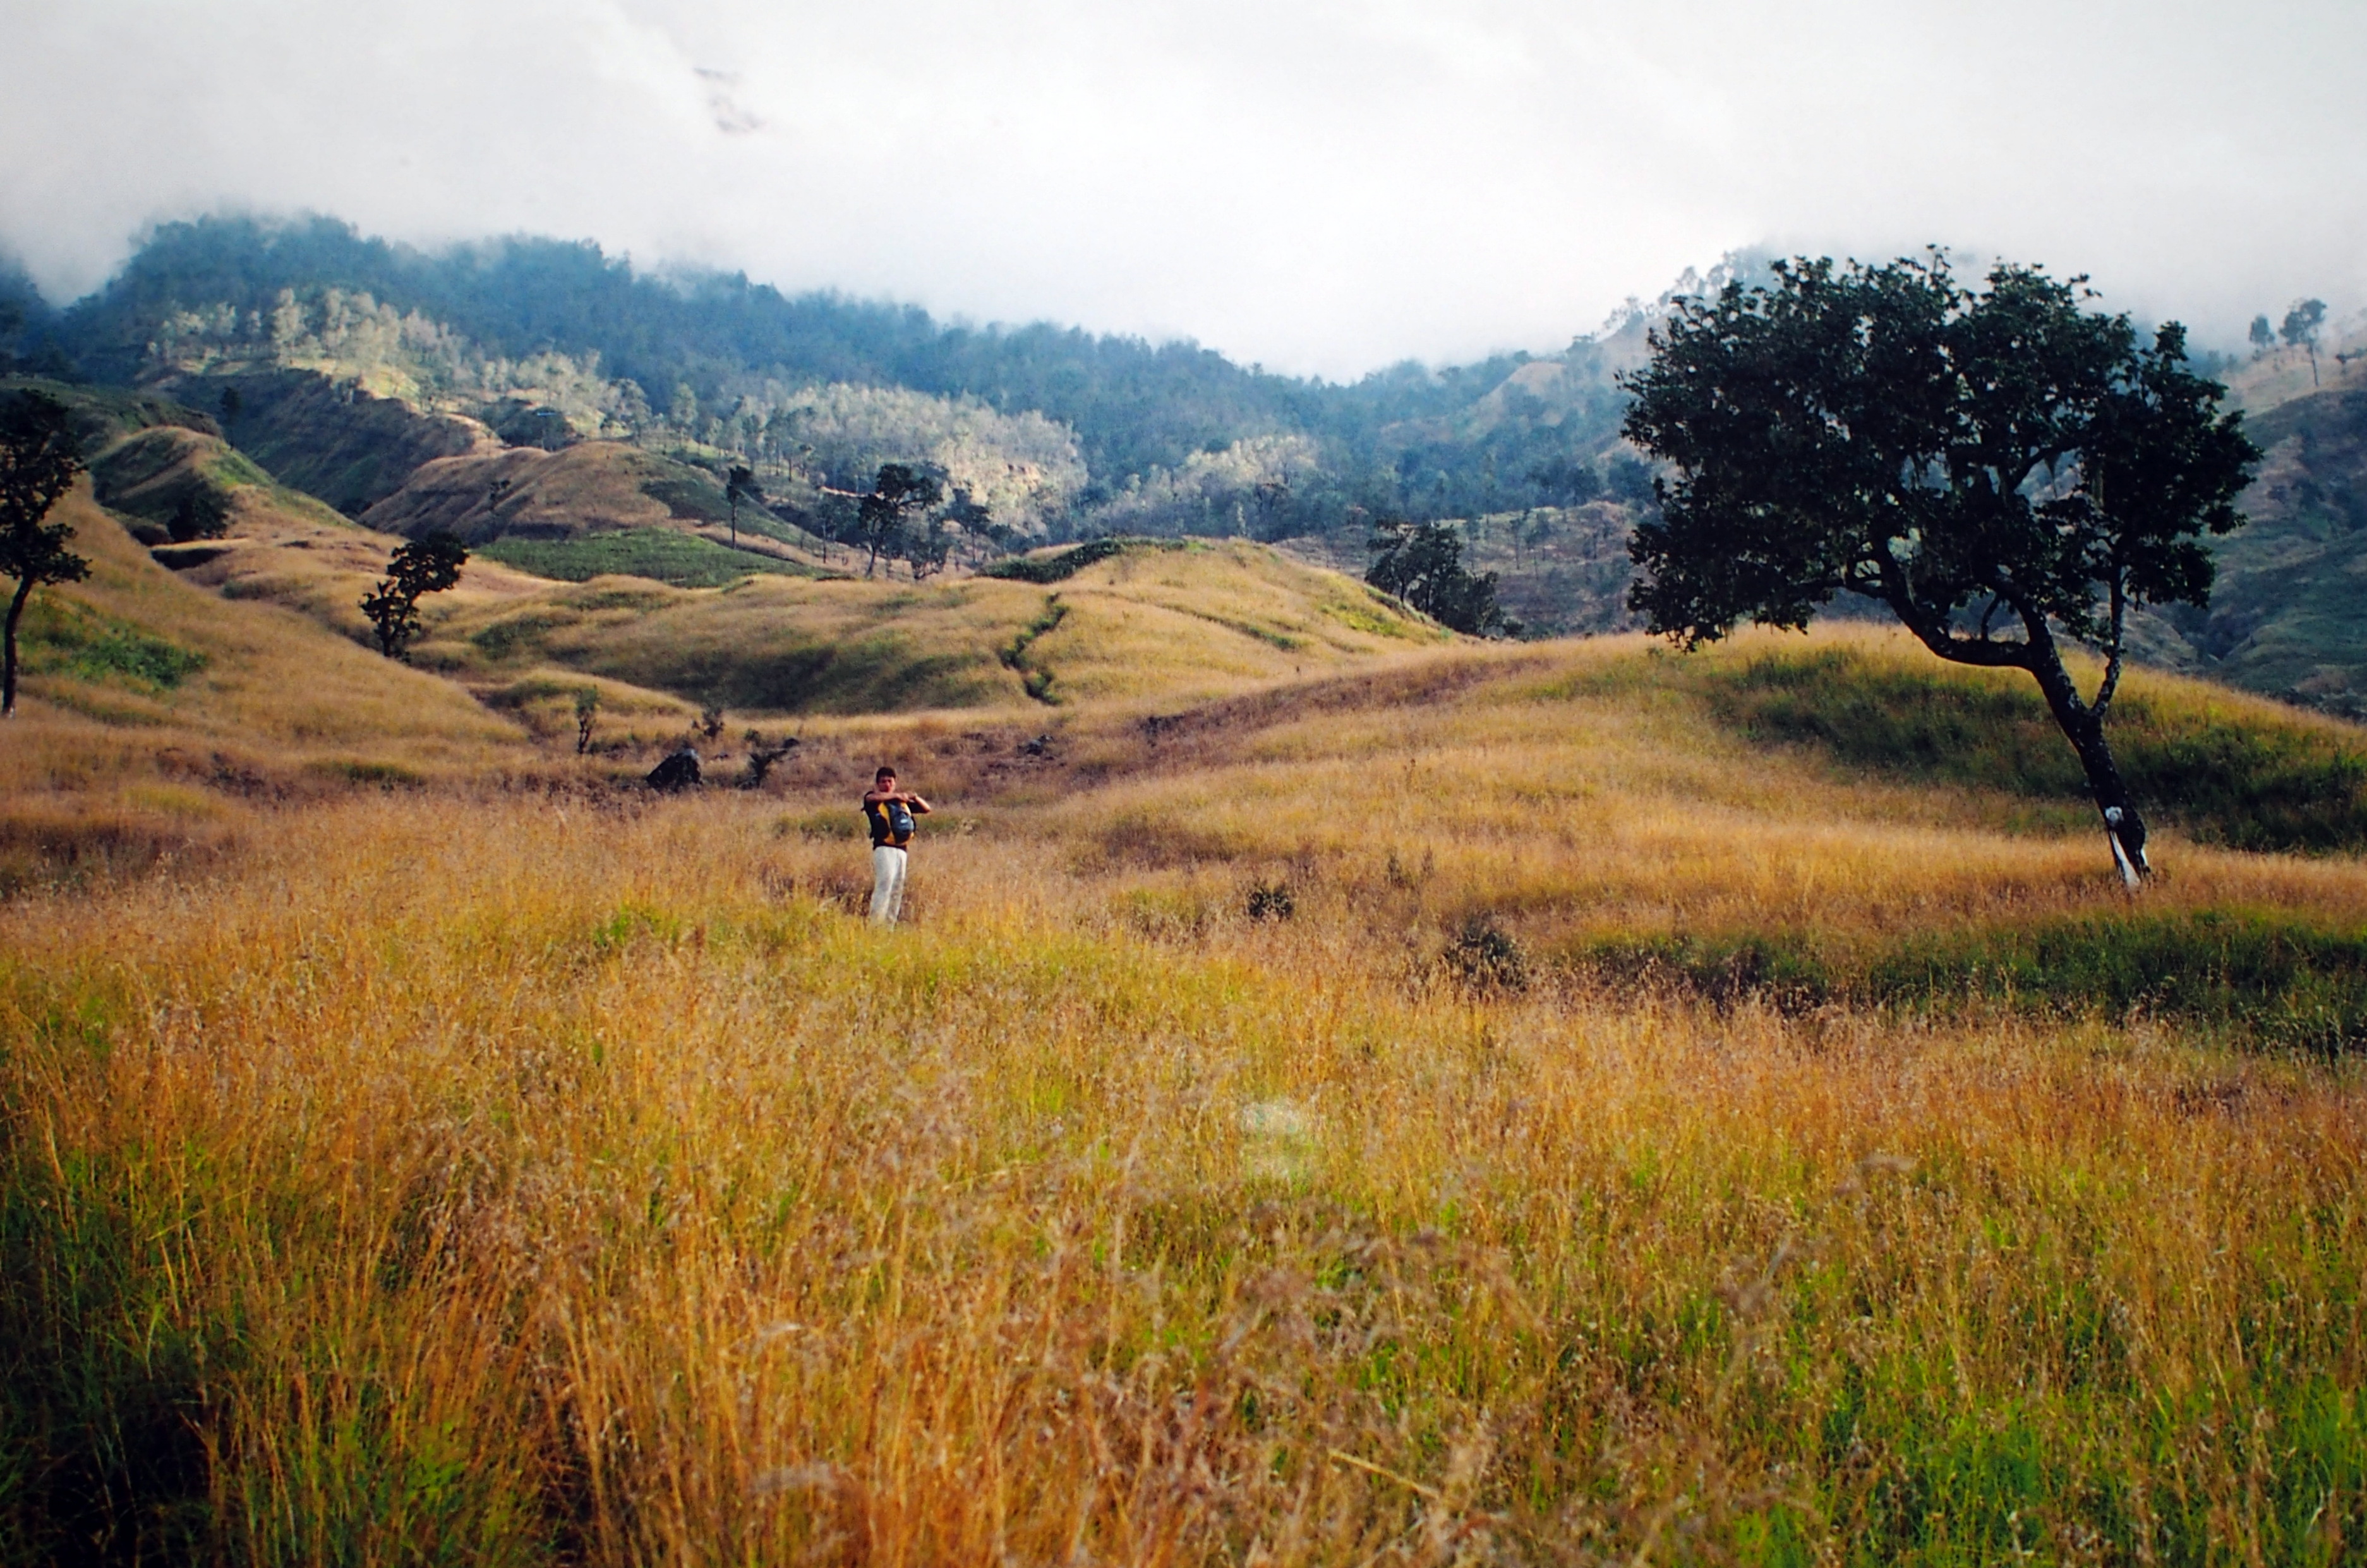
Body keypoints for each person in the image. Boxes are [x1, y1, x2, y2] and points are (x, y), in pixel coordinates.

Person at [862, 766, 931, 926]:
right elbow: (869, 799)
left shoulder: (901, 803)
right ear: (877, 784)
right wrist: (897, 795)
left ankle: (889, 925)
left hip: (901, 850)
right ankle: (875, 924)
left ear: (895, 782)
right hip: (883, 848)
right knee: (884, 884)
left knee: (897, 888)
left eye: (890, 781)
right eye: (883, 781)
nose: (887, 784)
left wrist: (913, 796)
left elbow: (927, 809)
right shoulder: (874, 799)